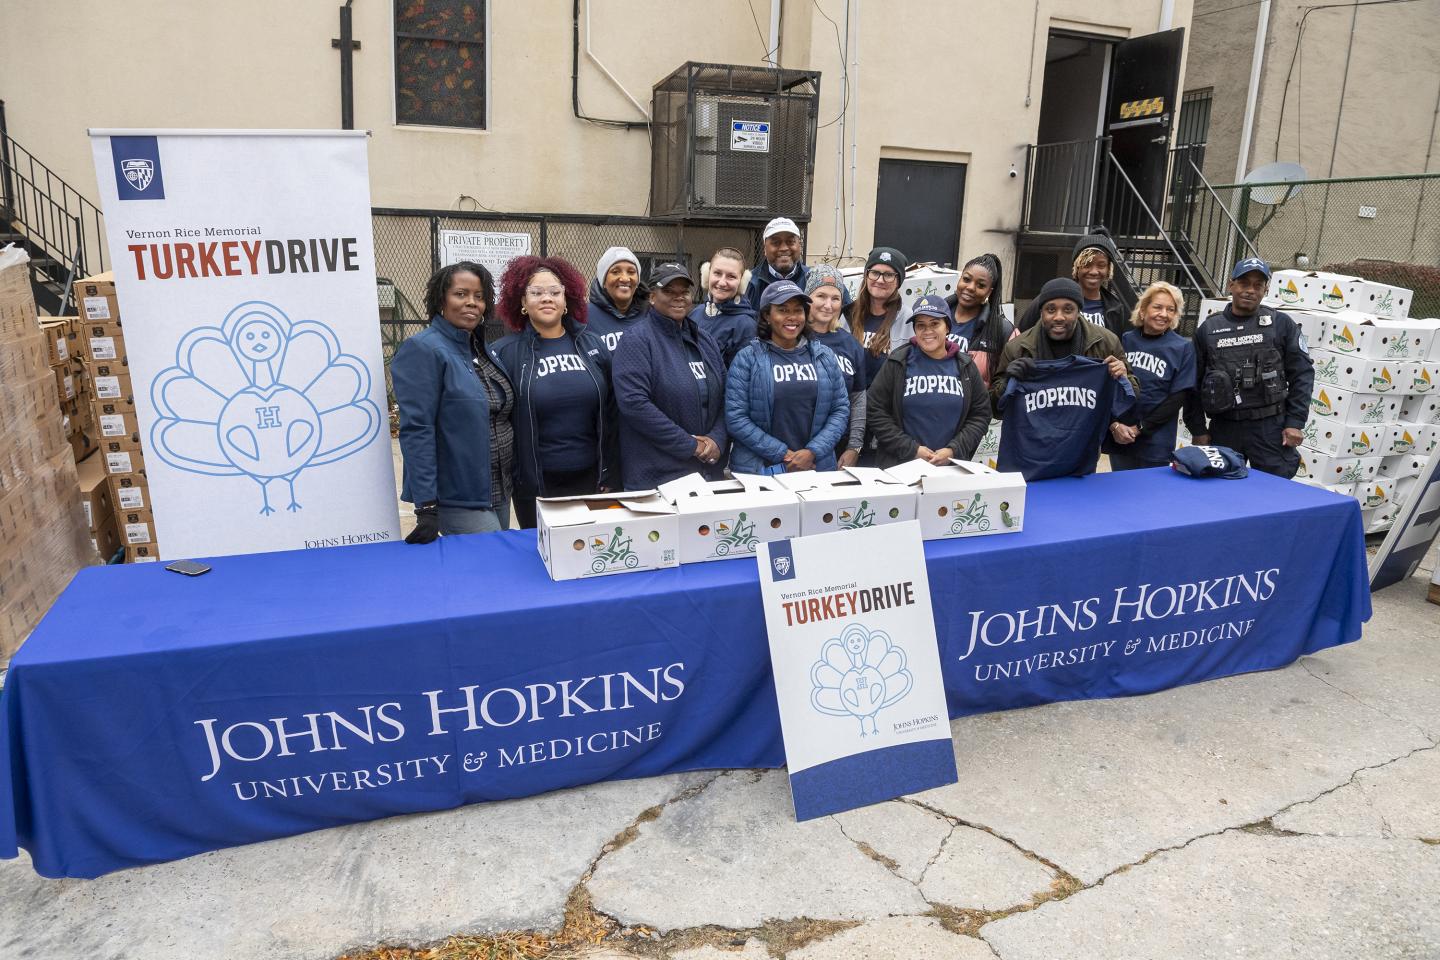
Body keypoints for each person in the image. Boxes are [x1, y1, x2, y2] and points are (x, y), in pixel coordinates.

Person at [490, 255, 618, 528]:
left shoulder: (592, 345)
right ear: (522, 302)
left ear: (566, 300)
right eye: (536, 293)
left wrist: (610, 472)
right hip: (536, 482)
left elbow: (612, 411)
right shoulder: (504, 353)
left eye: (554, 292)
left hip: (591, 477)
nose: (546, 298)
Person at [391, 261, 514, 542]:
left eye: (479, 296)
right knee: (490, 568)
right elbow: (417, 429)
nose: (471, 302)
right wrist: (426, 505)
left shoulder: (481, 350)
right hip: (459, 495)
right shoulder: (423, 349)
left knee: (494, 572)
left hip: (497, 489)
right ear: (441, 299)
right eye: (461, 294)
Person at [992, 278, 1138, 479]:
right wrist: (1009, 380)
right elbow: (995, 408)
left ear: (1079, 311)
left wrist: (1122, 376)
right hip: (1030, 460)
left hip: (1079, 460)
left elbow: (1129, 400)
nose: (1058, 317)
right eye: (1051, 309)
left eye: (1068, 309)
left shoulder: (1105, 343)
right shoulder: (1017, 348)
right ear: (1041, 312)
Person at [1184, 258, 1313, 478]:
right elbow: (1192, 383)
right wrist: (1198, 430)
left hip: (1270, 427)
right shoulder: (1208, 329)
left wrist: (1295, 422)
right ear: (1231, 285)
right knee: (1220, 490)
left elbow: (1302, 374)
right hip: (1225, 428)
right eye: (1244, 283)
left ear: (1265, 290)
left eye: (1258, 285)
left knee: (1274, 490)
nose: (1250, 290)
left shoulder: (1280, 324)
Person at [612, 263, 729, 489]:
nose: (678, 297)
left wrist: (717, 439)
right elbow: (634, 404)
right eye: (669, 291)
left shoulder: (704, 340)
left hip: (707, 472)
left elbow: (727, 396)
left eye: (684, 291)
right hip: (657, 478)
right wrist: (690, 445)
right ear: (652, 297)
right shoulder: (636, 341)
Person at [725, 281, 849, 475]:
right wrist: (784, 455)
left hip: (816, 466)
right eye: (783, 310)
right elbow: (736, 417)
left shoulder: (824, 356)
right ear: (767, 315)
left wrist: (812, 452)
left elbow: (840, 409)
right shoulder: (747, 358)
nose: (792, 317)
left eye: (798, 310)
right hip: (762, 470)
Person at [866, 294, 991, 468]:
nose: (928, 331)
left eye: (935, 324)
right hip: (901, 468)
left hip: (951, 470)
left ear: (947, 327)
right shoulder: (897, 362)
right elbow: (875, 410)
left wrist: (953, 450)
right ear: (915, 330)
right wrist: (911, 449)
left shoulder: (966, 366)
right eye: (921, 325)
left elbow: (981, 415)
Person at [1103, 281, 1196, 470]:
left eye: (1171, 309)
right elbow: (1109, 386)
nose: (1164, 314)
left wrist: (1140, 429)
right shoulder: (1126, 339)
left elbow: (1177, 398)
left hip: (1155, 442)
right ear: (1143, 310)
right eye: (1158, 307)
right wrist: (1115, 425)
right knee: (1119, 495)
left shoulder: (1183, 347)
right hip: (1120, 439)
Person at [804, 264, 866, 467]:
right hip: (798, 444)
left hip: (838, 445)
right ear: (807, 298)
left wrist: (854, 447)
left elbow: (858, 400)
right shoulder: (793, 338)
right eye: (821, 295)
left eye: (835, 298)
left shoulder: (851, 344)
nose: (828, 305)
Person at [1017, 234, 1132, 338]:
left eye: (1101, 265)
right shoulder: (1051, 297)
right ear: (1077, 267)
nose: (1093, 271)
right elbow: (1021, 338)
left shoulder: (1116, 309)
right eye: (1086, 264)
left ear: (1108, 269)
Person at [848, 246, 910, 389]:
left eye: (888, 275)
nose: (880, 280)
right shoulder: (848, 314)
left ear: (898, 281)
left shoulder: (908, 320)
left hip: (883, 408)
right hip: (850, 403)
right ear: (866, 276)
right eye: (875, 273)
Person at [950, 253, 1015, 386]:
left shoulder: (1003, 330)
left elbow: (1009, 379)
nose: (970, 288)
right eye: (966, 279)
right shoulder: (935, 315)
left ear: (989, 292)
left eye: (980, 285)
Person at [689, 246, 758, 367]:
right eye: (717, 273)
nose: (722, 282)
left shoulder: (746, 325)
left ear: (742, 282)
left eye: (731, 276)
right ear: (707, 274)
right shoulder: (695, 314)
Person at [586, 246, 647, 355]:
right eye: (615, 272)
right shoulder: (585, 316)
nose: (624, 278)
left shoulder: (650, 314)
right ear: (603, 281)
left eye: (631, 272)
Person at [743, 217, 809, 310]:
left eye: (790, 242)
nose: (784, 248)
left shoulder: (811, 279)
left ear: (799, 246)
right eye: (776, 242)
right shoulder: (749, 284)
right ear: (765, 249)